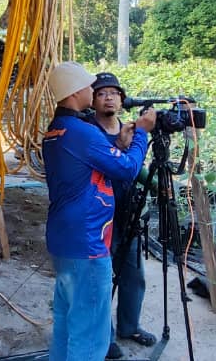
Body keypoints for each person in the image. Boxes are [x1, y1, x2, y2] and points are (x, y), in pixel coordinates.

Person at [42, 62, 155, 361]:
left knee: (67, 327)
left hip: (63, 240)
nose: (94, 92)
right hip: (87, 243)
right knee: (90, 337)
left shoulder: (55, 131)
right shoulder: (82, 132)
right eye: (91, 87)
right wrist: (142, 133)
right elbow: (128, 169)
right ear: (76, 91)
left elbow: (86, 171)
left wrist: (118, 145)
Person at [88, 72, 156, 360]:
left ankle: (129, 326)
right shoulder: (89, 131)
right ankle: (104, 336)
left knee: (133, 275)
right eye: (102, 93)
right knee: (102, 281)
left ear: (122, 99)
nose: (109, 97)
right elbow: (114, 164)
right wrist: (123, 147)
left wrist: (157, 184)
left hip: (128, 215)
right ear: (92, 100)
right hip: (100, 218)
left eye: (114, 93)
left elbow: (134, 167)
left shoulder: (126, 128)